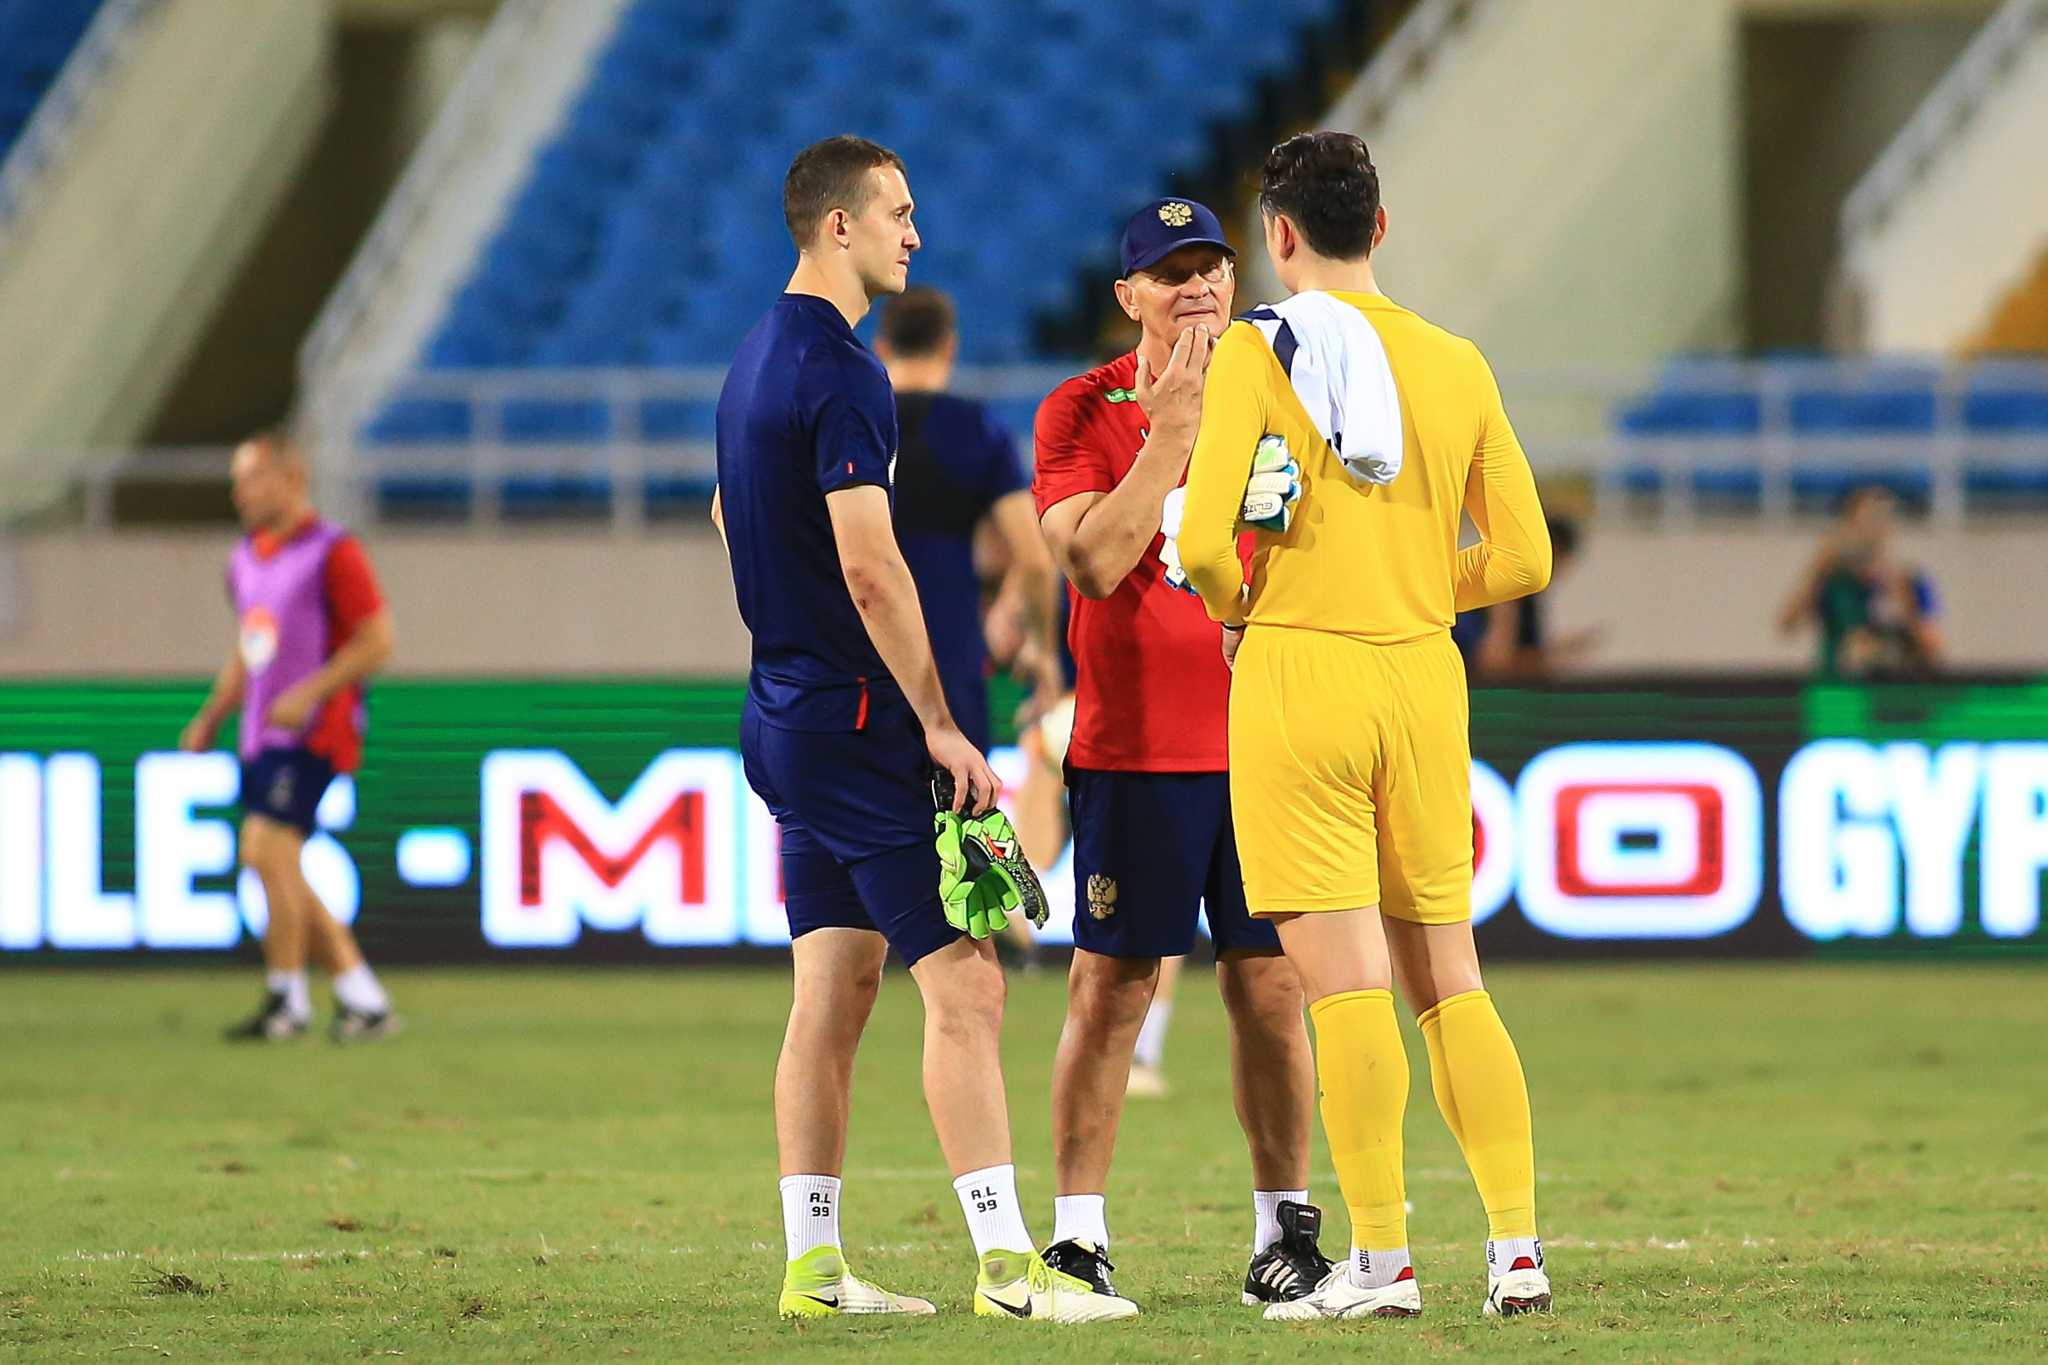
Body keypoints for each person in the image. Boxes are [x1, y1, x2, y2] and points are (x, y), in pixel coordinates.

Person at [711, 134, 1135, 1325]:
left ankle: (813, 1271)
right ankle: (1009, 1271)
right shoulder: (846, 373)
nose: (914, 233)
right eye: (895, 212)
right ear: (834, 226)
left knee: (833, 988)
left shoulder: (750, 361)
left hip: (781, 712)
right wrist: (940, 725)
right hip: (856, 721)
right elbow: (869, 565)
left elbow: (726, 513)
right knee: (968, 983)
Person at [1179, 132, 1554, 1321]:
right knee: (1450, 978)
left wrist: (1247, 608)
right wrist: (1409, 589)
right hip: (1421, 681)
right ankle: (1516, 1252)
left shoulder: (1255, 350)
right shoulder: (1457, 361)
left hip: (1301, 675)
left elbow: (1197, 547)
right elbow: (1527, 555)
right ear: (1378, 228)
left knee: (1341, 989)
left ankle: (1382, 1262)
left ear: (1277, 236)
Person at [1032, 197, 1327, 1310]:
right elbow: (1095, 565)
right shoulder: (1078, 409)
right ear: (1129, 297)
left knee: (1270, 993)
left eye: (1211, 266)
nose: (1198, 287)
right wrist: (1170, 434)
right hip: (1134, 750)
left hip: (1266, 743)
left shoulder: (1284, 386)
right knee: (1111, 989)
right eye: (1170, 274)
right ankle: (1075, 1242)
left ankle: (1282, 1237)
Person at [180, 433, 398, 1043]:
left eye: (251, 478)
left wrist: (312, 691)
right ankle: (358, 995)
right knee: (273, 860)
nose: (239, 492)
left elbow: (377, 641)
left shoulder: (334, 552)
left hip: (315, 732)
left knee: (266, 853)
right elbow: (249, 650)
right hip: (262, 737)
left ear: (290, 477)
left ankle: (289, 1001)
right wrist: (213, 714)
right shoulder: (247, 557)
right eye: (236, 480)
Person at [876, 286, 1063, 752]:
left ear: (880, 349)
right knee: (958, 818)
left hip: (860, 662)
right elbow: (1036, 560)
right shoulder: (978, 430)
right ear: (949, 345)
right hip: (950, 663)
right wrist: (1041, 650)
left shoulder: (854, 426)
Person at [1778, 485, 1942, 677]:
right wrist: (1817, 570)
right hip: (1840, 686)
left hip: (1891, 686)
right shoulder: (1835, 583)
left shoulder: (1909, 581)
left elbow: (1932, 648)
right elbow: (1788, 626)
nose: (1874, 529)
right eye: (1867, 519)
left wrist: (1900, 596)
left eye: (1883, 518)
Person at [1453, 514, 1596, 680]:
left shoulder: (1530, 598)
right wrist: (1555, 654)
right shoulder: (1499, 591)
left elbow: (1525, 656)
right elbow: (1494, 663)